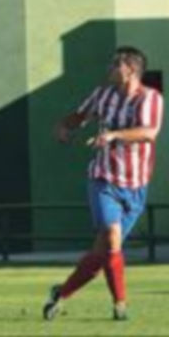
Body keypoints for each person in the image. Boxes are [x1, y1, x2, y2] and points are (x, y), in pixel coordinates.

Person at [44, 46, 163, 321]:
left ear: (130, 69)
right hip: (103, 179)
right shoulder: (103, 94)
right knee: (111, 238)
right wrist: (64, 126)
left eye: (115, 64)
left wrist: (112, 136)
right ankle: (120, 305)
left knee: (104, 254)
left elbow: (149, 132)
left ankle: (61, 293)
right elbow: (80, 115)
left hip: (135, 186)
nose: (109, 68)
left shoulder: (151, 98)